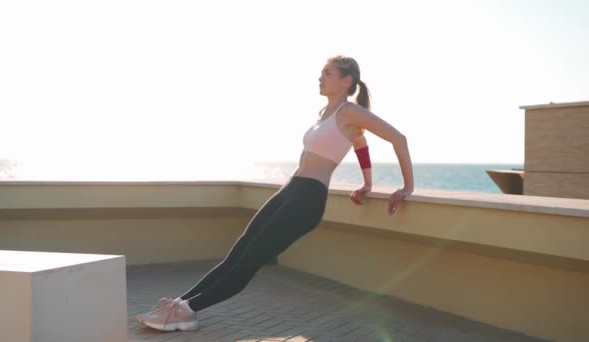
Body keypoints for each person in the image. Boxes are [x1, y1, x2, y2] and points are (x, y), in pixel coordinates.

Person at [135, 55, 415, 332]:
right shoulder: (326, 114)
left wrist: (407, 187)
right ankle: (181, 304)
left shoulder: (350, 112)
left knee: (250, 260)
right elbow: (359, 144)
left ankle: (186, 312)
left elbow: (397, 138)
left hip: (308, 199)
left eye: (327, 73)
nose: (320, 77)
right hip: (291, 190)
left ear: (346, 81)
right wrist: (367, 183)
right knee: (237, 254)